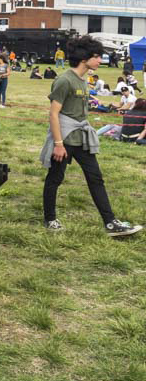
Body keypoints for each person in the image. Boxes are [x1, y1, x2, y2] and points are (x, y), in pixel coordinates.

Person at [39, 36, 141, 236]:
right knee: (55, 179)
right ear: (84, 58)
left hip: (82, 140)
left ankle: (110, 222)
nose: (100, 60)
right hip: (65, 139)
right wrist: (59, 144)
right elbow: (53, 114)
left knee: (96, 179)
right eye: (96, 56)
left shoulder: (83, 81)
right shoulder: (64, 80)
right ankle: (50, 219)